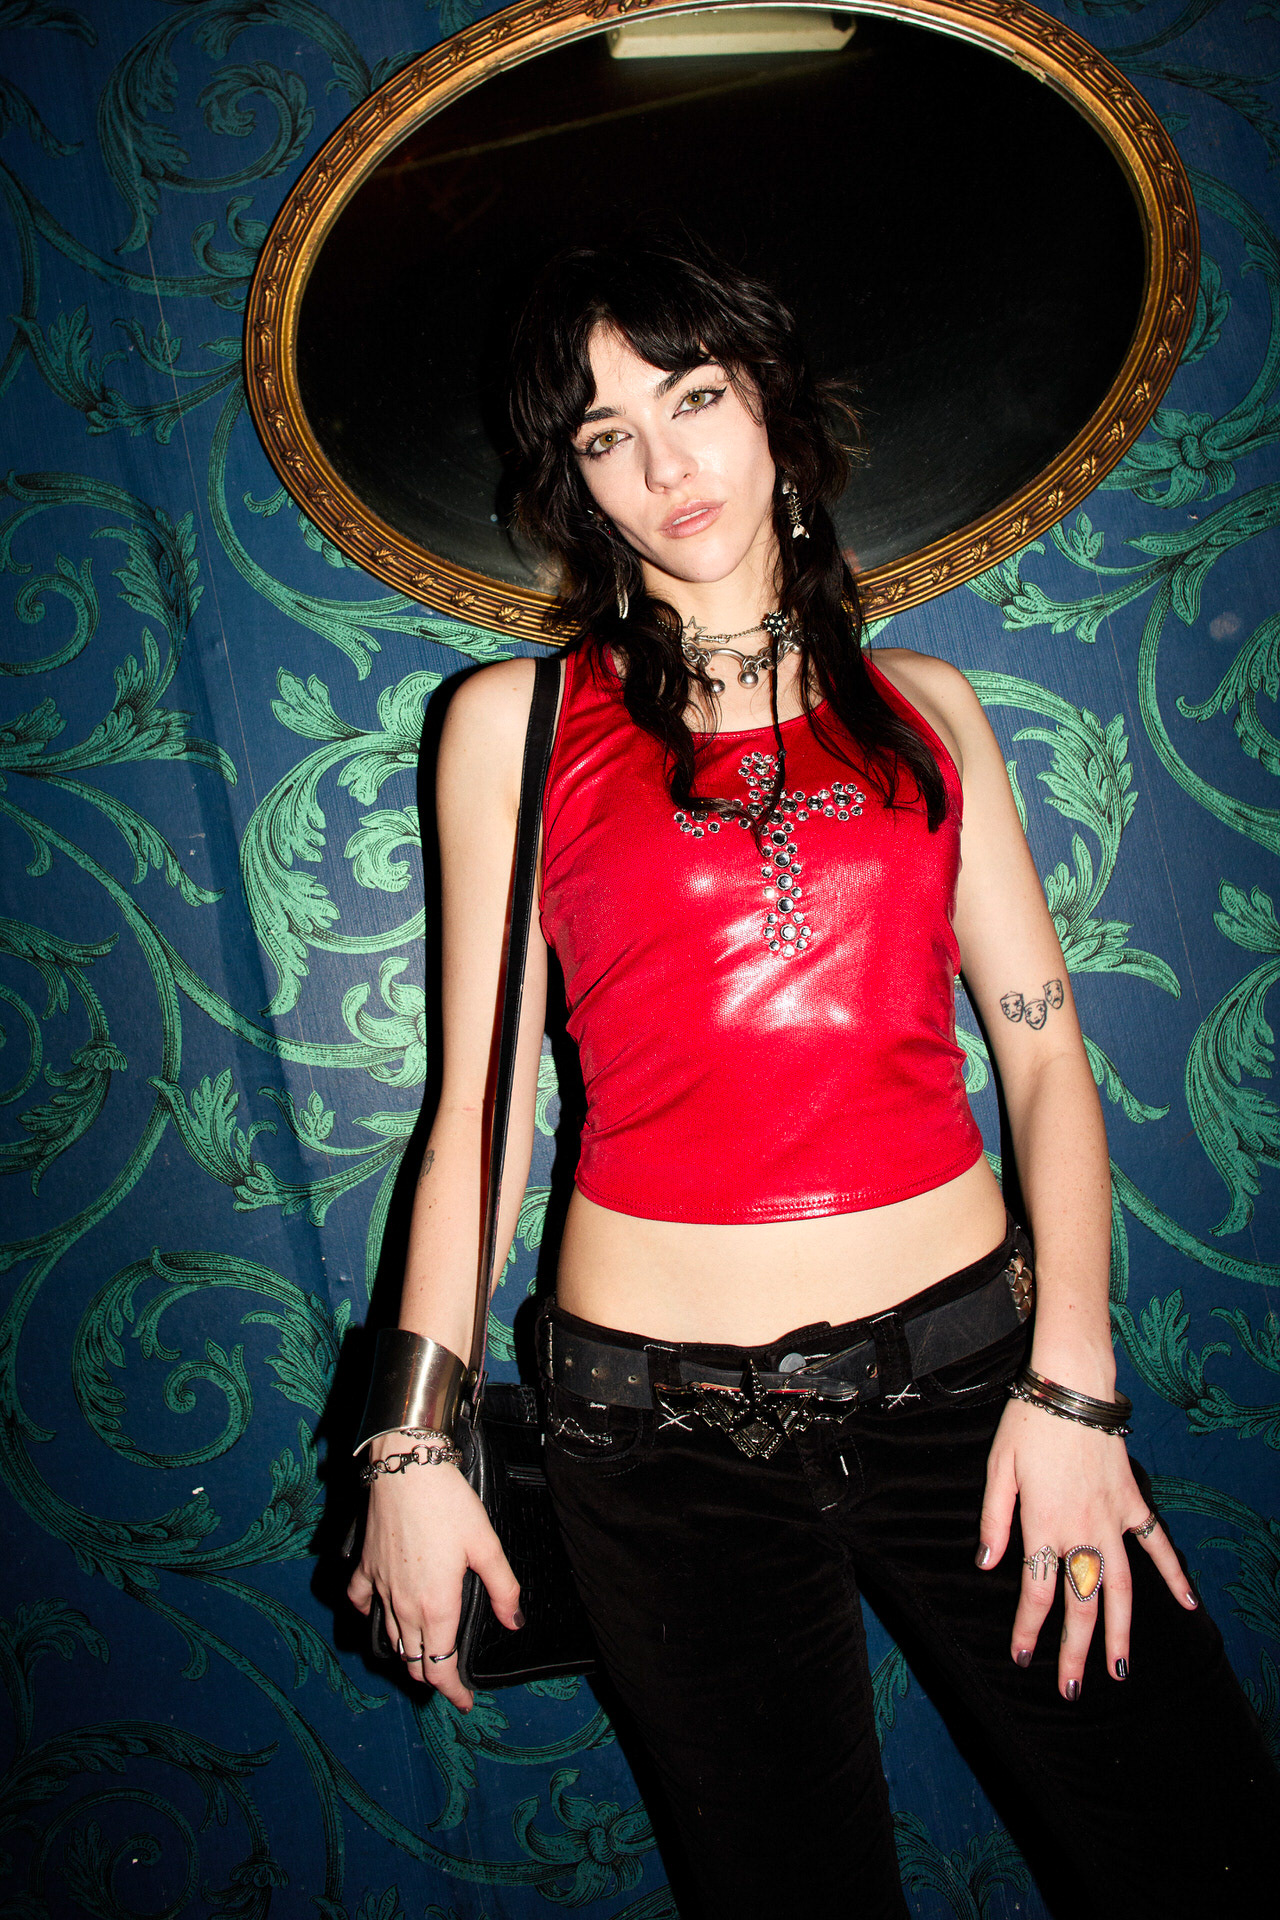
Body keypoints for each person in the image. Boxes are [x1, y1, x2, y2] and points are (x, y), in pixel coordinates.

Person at [348, 235, 1279, 1917]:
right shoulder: (514, 724)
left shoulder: (930, 712)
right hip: (654, 1446)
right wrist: (410, 1452)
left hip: (975, 1392)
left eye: (694, 397)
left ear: (772, 405)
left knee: (1200, 1843)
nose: (666, 463)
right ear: (575, 482)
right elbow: (475, 1116)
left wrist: (1075, 1390)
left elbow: (1045, 1063)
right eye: (607, 434)